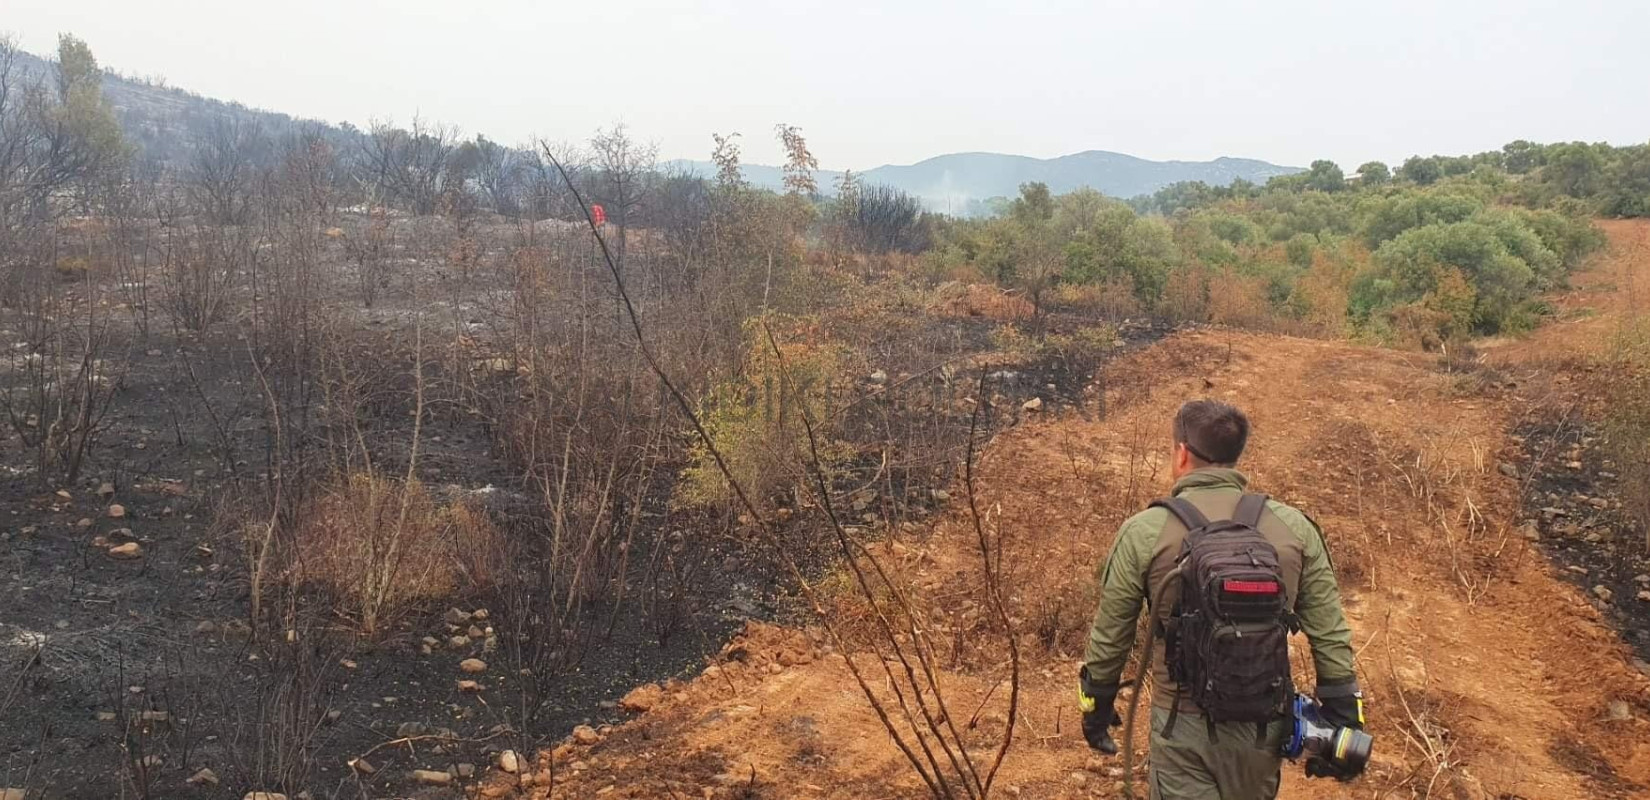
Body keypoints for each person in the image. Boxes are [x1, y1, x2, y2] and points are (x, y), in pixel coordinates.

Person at [1078, 400, 1363, 799]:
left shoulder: (1145, 531)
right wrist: (1344, 714)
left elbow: (1111, 636)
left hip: (1181, 726)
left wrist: (1096, 705)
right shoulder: (1293, 527)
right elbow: (1330, 634)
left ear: (1181, 453)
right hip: (1263, 728)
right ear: (1235, 455)